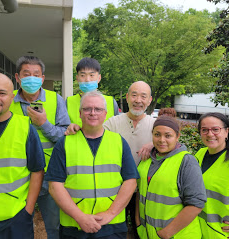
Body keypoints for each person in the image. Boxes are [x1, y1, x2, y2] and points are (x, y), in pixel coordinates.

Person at [46, 90, 139, 239]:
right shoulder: (65, 143)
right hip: (74, 226)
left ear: (105, 113)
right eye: (87, 109)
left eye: (98, 109)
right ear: (80, 113)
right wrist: (80, 217)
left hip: (112, 226)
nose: (92, 113)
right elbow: (54, 186)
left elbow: (131, 181)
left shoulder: (118, 142)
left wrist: (110, 214)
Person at [9, 56, 71, 239]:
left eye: (36, 74)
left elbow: (65, 136)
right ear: (17, 77)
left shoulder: (55, 99)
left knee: (54, 227)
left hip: (48, 176)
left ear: (43, 78)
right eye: (26, 74)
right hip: (16, 176)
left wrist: (44, 124)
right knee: (15, 226)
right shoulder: (7, 99)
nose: (31, 78)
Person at [0, 73, 45, 239]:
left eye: (1, 93)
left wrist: (28, 211)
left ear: (12, 96)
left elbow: (37, 170)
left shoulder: (25, 128)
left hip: (15, 219)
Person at [136, 116, 207, 239]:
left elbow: (196, 203)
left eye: (168, 136)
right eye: (157, 134)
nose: (161, 140)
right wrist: (138, 222)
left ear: (177, 137)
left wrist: (167, 233)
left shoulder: (186, 161)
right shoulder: (146, 159)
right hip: (146, 233)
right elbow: (140, 192)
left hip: (176, 235)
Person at [103, 81, 156, 238]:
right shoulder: (112, 123)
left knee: (140, 228)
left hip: (144, 190)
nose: (138, 100)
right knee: (114, 228)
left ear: (149, 100)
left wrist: (154, 143)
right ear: (127, 97)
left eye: (143, 96)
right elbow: (93, 135)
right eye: (134, 95)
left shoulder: (156, 126)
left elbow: (174, 144)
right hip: (116, 188)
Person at [195, 112, 229, 238]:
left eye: (216, 129)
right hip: (197, 231)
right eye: (204, 130)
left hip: (219, 234)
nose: (210, 134)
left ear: (226, 132)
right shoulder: (199, 154)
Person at [66, 57, 119, 127]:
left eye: (91, 75)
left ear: (99, 78)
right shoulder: (68, 102)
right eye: (82, 75)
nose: (87, 80)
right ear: (77, 78)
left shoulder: (111, 102)